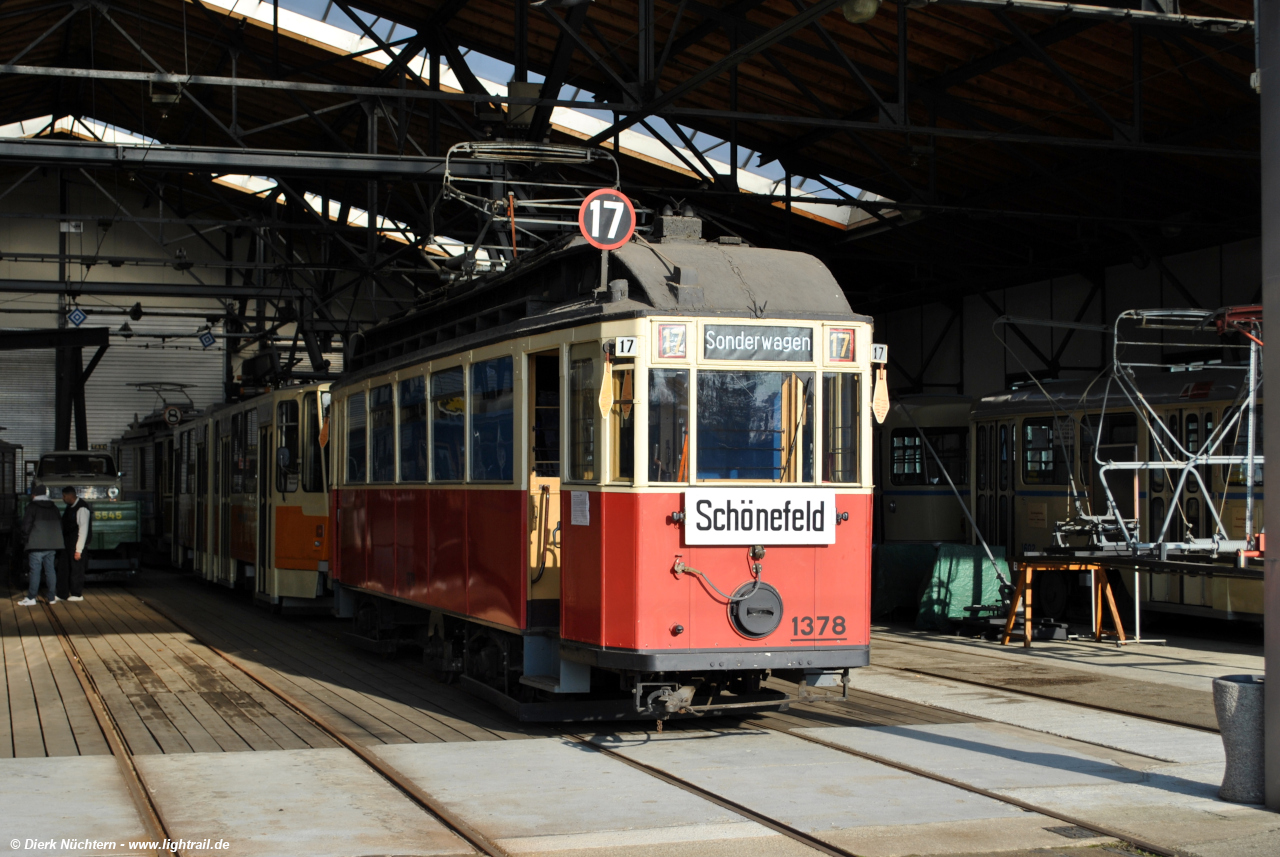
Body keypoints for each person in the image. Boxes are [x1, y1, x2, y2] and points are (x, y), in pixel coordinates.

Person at [18, 483, 62, 606]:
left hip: (36, 543)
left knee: (35, 571)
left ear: (34, 494)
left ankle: (31, 597)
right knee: (50, 570)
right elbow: (59, 525)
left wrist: (26, 539)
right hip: (52, 544)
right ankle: (52, 597)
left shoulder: (32, 507)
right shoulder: (54, 507)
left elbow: (26, 526)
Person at [58, 485, 92, 602]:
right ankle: (62, 593)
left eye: (63, 496)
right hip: (67, 544)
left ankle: (77, 594)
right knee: (64, 569)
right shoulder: (70, 507)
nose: (62, 498)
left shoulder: (82, 508)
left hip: (76, 544)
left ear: (69, 496)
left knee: (76, 570)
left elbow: (83, 530)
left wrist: (79, 550)